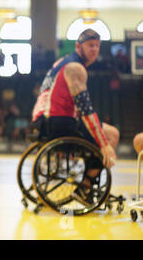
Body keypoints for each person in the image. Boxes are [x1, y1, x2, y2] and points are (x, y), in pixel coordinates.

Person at [31, 29, 119, 205]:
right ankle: (86, 185)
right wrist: (103, 145)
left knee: (112, 132)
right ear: (79, 46)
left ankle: (87, 183)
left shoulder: (63, 62)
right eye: (90, 45)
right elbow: (86, 110)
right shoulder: (75, 68)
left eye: (97, 46)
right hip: (57, 121)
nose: (94, 50)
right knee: (111, 137)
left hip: (45, 117)